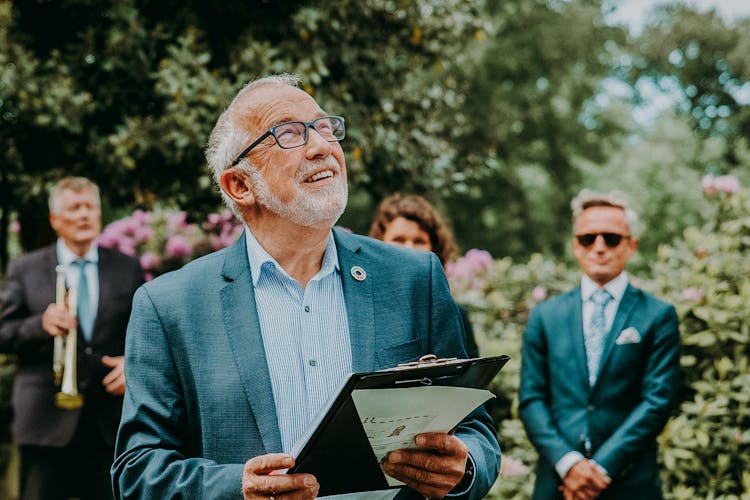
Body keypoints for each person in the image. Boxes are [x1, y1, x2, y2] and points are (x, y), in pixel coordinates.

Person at [112, 74, 500, 500]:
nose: (322, 146)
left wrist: (464, 469)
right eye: (290, 134)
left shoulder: (413, 278)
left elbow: (475, 429)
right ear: (239, 185)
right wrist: (234, 488)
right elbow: (137, 468)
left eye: (325, 127)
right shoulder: (169, 306)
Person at [518, 189, 681, 500]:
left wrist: (602, 468)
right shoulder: (545, 316)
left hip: (630, 483)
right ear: (575, 246)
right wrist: (570, 465)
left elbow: (657, 401)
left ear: (631, 245)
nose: (599, 247)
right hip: (558, 484)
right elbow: (531, 399)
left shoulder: (658, 315)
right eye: (587, 238)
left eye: (612, 238)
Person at [0, 176, 144, 500]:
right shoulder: (26, 268)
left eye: (89, 207)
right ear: (55, 220)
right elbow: (3, 333)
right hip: (44, 421)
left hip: (109, 422)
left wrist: (133, 365)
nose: (83, 215)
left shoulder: (127, 267)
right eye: (74, 208)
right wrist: (40, 324)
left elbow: (146, 333)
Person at [369, 193, 479, 358]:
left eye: (419, 241)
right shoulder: (366, 310)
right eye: (398, 240)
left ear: (435, 248)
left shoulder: (455, 314)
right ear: (380, 242)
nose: (409, 249)